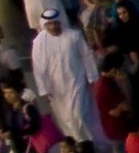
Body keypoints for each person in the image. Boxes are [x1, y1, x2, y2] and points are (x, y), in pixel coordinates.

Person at [32, 9, 100, 145]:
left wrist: (92, 78)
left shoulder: (74, 36)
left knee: (79, 114)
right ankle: (77, 144)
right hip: (56, 89)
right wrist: (44, 88)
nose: (52, 27)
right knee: (66, 118)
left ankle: (87, 142)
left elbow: (86, 56)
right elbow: (38, 67)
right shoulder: (39, 42)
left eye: (55, 23)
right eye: (49, 24)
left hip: (76, 81)